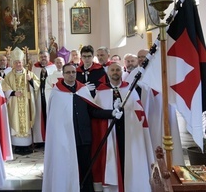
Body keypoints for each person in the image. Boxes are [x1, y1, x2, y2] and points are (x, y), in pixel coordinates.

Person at [42, 64, 119, 192]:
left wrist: (112, 113)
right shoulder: (57, 93)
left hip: (83, 137)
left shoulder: (82, 90)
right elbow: (54, 121)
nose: (71, 74)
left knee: (86, 167)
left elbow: (93, 111)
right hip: (65, 138)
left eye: (73, 72)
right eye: (68, 72)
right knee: (67, 166)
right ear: (63, 74)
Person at [92, 62, 154, 192]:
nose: (115, 72)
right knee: (113, 161)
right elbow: (95, 112)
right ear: (108, 73)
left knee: (129, 160)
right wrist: (111, 113)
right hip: (110, 133)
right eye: (112, 70)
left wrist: (127, 112)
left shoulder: (129, 89)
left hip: (129, 133)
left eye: (118, 70)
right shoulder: (101, 91)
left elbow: (138, 111)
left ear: (122, 72)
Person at [2, 47, 39, 155]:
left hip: (27, 103)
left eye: (20, 62)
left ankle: (27, 145)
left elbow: (37, 85)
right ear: (13, 63)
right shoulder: (8, 76)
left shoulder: (29, 73)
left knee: (27, 122)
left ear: (23, 62)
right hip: (14, 103)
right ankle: (17, 146)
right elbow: (4, 87)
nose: (18, 64)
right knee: (15, 121)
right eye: (16, 62)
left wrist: (30, 80)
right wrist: (13, 93)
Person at [31, 50, 56, 145]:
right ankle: (40, 140)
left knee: (49, 114)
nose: (43, 59)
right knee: (39, 116)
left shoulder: (52, 67)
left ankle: (50, 139)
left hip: (49, 95)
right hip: (38, 95)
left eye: (45, 56)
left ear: (48, 57)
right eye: (41, 57)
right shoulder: (35, 67)